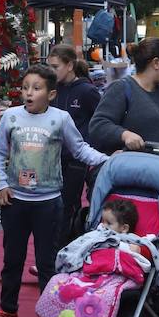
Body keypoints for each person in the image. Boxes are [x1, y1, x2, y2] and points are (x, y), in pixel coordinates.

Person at [0, 63, 106, 317]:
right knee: (12, 260)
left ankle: (51, 315)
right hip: (15, 201)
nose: (29, 93)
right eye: (25, 87)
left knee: (47, 263)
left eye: (36, 88)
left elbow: (80, 149)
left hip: (48, 203)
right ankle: (8, 311)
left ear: (51, 94)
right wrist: (1, 185)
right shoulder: (11, 117)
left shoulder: (61, 119)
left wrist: (108, 161)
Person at [88, 37, 159, 155]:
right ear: (156, 63)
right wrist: (124, 135)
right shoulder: (121, 88)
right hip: (138, 165)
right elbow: (98, 125)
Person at [47, 45, 101, 243]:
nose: (51, 71)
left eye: (55, 67)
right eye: (49, 67)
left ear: (69, 65)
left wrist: (90, 145)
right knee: (52, 207)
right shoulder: (52, 90)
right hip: (52, 158)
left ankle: (65, 247)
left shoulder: (87, 91)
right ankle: (55, 247)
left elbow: (100, 120)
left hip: (76, 160)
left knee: (67, 206)